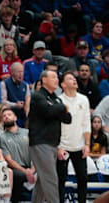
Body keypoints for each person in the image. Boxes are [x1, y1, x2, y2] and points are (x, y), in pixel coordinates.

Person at [28, 70, 72, 203]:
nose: (56, 79)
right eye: (53, 77)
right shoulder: (37, 96)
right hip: (41, 142)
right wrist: (63, 107)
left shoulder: (56, 98)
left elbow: (67, 118)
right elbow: (48, 111)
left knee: (43, 181)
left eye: (57, 77)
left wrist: (59, 108)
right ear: (44, 80)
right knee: (51, 179)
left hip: (53, 143)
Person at [57, 71, 90, 203]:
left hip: (79, 146)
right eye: (70, 79)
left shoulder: (84, 99)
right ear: (63, 84)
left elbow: (86, 123)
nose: (74, 80)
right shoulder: (59, 101)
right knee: (61, 179)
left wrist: (87, 144)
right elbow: (55, 127)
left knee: (83, 178)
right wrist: (58, 147)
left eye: (74, 78)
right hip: (63, 146)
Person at [0, 108, 35, 203]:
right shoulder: (1, 137)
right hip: (14, 168)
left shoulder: (27, 133)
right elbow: (9, 160)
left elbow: (36, 154)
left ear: (15, 118)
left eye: (9, 114)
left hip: (31, 167)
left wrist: (32, 170)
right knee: (18, 175)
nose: (6, 117)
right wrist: (26, 171)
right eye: (4, 116)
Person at [1, 62, 30, 127]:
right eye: (18, 72)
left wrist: (26, 106)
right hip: (9, 113)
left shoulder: (26, 85)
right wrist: (15, 105)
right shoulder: (4, 84)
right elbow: (3, 102)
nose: (21, 74)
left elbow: (28, 99)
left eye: (22, 72)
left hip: (22, 114)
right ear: (12, 73)